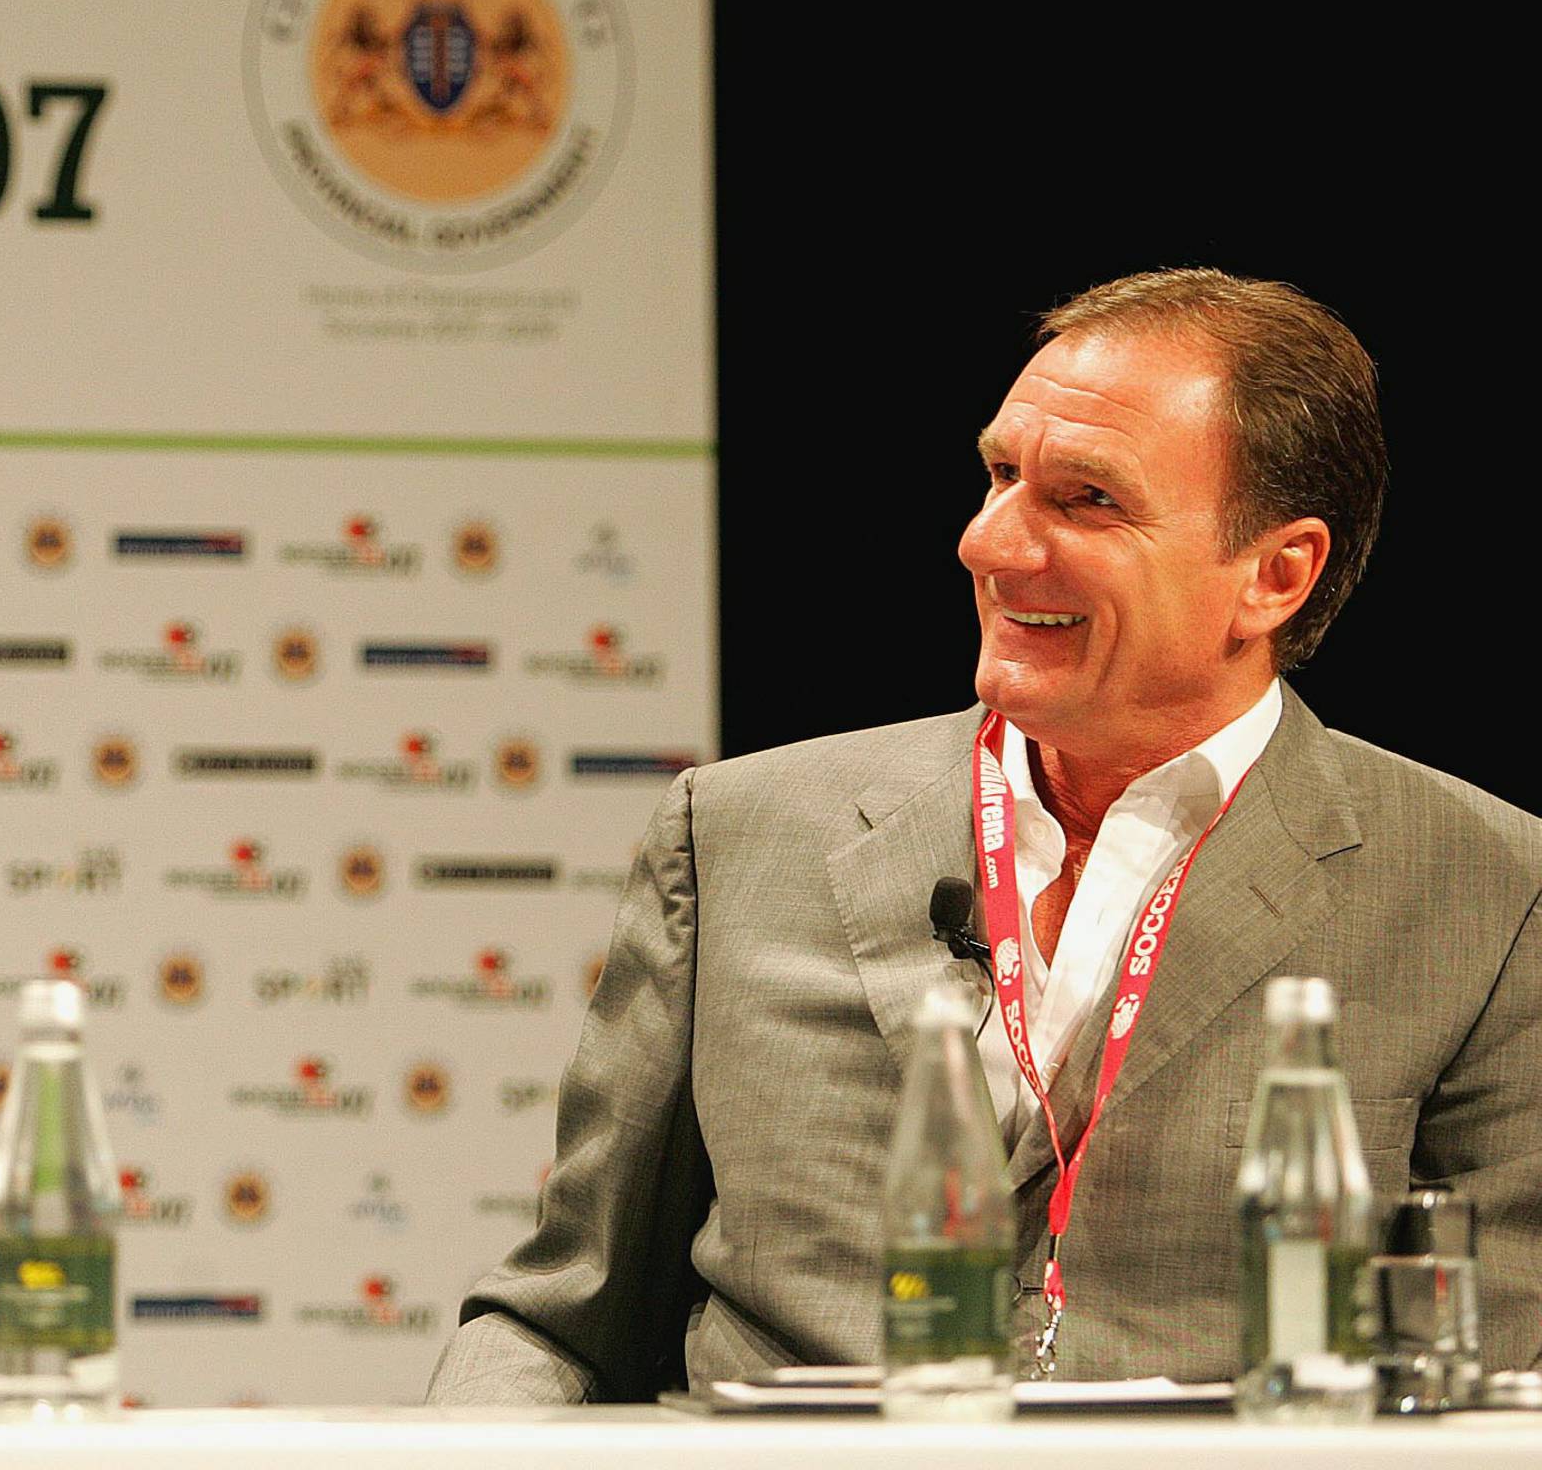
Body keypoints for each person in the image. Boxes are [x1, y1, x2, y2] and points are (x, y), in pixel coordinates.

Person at [430, 268, 1540, 1399]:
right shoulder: (738, 836)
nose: (989, 543)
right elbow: (559, 1320)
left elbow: (1493, 1383)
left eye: (1087, 500)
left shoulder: (1490, 894)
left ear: (1273, 575)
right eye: (1002, 474)